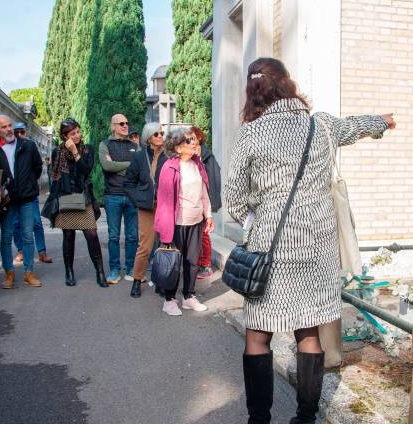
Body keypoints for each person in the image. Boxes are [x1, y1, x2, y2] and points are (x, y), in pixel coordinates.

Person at [225, 57, 395, 423]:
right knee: (309, 333)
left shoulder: (250, 134)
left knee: (258, 336)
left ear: (253, 92)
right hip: (317, 249)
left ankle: (259, 419)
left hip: (270, 250)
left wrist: (260, 214)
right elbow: (354, 126)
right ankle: (305, 417)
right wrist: (382, 122)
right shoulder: (321, 126)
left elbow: (235, 200)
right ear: (288, 84)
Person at [154, 127, 215, 316]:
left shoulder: (198, 164)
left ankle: (188, 297)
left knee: (193, 262)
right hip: (176, 223)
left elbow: (204, 192)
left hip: (195, 221)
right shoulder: (170, 166)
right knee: (173, 262)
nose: (195, 142)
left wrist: (209, 215)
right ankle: (169, 300)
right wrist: (164, 228)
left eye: (195, 140)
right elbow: (164, 202)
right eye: (190, 140)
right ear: (179, 147)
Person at [43, 119, 107, 288]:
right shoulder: (58, 152)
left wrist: (75, 153)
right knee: (68, 235)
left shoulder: (87, 150)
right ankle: (69, 271)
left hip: (82, 197)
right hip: (65, 197)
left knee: (91, 234)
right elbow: (54, 176)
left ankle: (100, 272)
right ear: (65, 136)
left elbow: (86, 170)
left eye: (78, 132)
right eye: (73, 133)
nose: (77, 135)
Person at [0, 115, 43, 289]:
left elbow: (38, 167)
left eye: (9, 125)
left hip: (27, 198)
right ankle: (9, 273)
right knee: (6, 237)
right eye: (3, 127)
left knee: (28, 236)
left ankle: (29, 273)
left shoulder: (27, 145)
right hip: (6, 201)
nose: (8, 129)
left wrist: (28, 184)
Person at [123, 122, 166, 298]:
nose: (161, 136)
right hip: (146, 208)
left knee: (165, 246)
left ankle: (162, 282)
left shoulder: (169, 156)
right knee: (145, 246)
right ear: (148, 138)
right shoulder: (140, 157)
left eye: (162, 133)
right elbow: (128, 183)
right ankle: (137, 280)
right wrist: (139, 200)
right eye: (157, 134)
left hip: (165, 208)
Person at [99, 114, 139, 284]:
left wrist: (118, 166)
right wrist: (129, 165)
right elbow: (107, 166)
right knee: (113, 236)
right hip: (112, 196)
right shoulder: (105, 145)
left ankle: (130, 268)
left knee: (132, 236)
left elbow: (138, 168)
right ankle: (114, 270)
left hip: (132, 196)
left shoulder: (134, 145)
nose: (125, 126)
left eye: (127, 123)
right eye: (121, 123)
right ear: (113, 126)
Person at [11, 122, 52, 264]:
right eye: (16, 132)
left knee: (36, 222)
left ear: (25, 132)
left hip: (29, 193)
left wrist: (30, 181)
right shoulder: (9, 148)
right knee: (15, 223)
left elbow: (38, 166)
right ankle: (21, 250)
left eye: (21, 132)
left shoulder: (30, 146)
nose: (19, 135)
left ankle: (42, 252)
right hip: (13, 194)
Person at [190, 127, 221, 279]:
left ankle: (206, 266)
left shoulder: (207, 157)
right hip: (192, 202)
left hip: (204, 202)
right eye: (189, 139)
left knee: (203, 236)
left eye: (193, 138)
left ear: (199, 139)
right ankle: (197, 264)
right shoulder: (188, 155)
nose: (191, 141)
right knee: (194, 236)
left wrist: (212, 204)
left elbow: (214, 181)